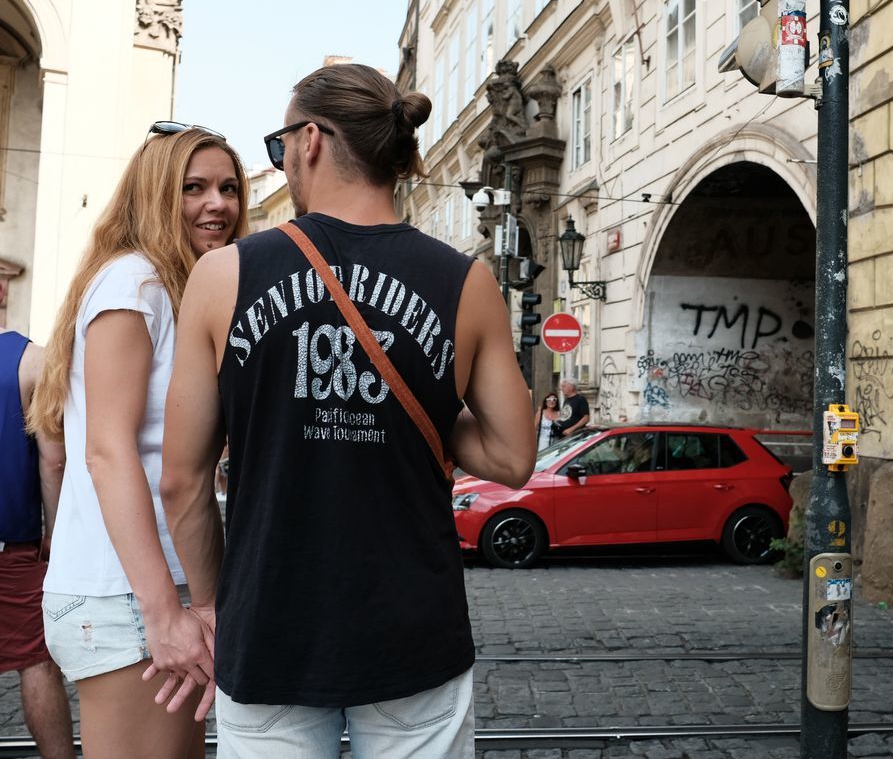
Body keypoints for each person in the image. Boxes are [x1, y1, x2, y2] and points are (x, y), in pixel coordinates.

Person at [155, 63, 536, 757]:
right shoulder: (467, 282)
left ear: (309, 141)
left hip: (270, 629)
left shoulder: (224, 276)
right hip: (413, 637)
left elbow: (181, 481)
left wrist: (214, 607)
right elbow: (513, 458)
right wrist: (406, 398)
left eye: (280, 149)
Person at [25, 124, 248, 756]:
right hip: (126, 594)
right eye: (194, 188)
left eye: (229, 188)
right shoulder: (136, 284)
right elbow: (106, 452)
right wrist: (162, 613)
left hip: (139, 587)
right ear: (154, 195)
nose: (218, 205)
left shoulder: (172, 286)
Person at [0, 330, 74, 759]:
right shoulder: (32, 360)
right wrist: (56, 532)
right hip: (14, 545)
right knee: (36, 661)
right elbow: (54, 459)